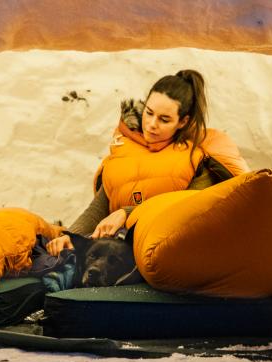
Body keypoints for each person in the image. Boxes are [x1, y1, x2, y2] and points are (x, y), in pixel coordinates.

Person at [47, 69, 249, 256]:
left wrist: (126, 213)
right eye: (149, 113)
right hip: (116, 252)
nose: (151, 125)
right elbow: (100, 205)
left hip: (165, 252)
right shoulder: (125, 147)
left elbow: (186, 208)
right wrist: (70, 236)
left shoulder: (198, 155)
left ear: (183, 121)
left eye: (164, 119)